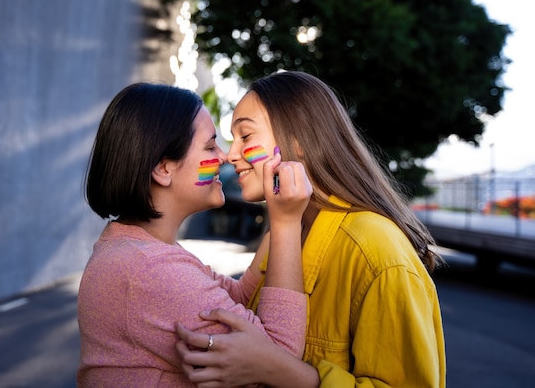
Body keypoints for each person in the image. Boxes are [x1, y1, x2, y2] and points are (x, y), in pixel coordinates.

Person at [175, 71, 446, 387]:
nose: (231, 155)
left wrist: (279, 371)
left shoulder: (376, 249)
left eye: (245, 137)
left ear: (299, 141)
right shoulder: (283, 233)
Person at [76, 82, 313, 386]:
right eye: (210, 146)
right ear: (163, 168)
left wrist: (282, 208)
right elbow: (278, 359)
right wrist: (286, 224)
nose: (226, 157)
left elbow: (238, 297)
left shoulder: (137, 250)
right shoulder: (149, 271)